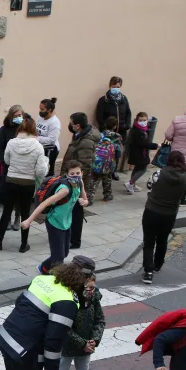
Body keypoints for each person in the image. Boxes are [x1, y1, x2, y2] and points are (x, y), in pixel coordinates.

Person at [53, 256, 102, 370]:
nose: (89, 292)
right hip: (68, 345)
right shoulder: (68, 297)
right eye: (87, 287)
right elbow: (64, 326)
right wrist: (83, 343)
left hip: (87, 344)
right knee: (62, 369)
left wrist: (95, 339)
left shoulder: (94, 299)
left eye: (92, 288)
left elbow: (100, 320)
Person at [0, 120, 47, 253]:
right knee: (25, 213)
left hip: (11, 180)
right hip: (27, 183)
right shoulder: (38, 146)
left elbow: (6, 160)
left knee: (6, 211)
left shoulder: (11, 142)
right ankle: (24, 244)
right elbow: (40, 171)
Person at [23, 160, 87, 274]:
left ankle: (42, 267)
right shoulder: (65, 189)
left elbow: (85, 198)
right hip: (54, 222)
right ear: (67, 175)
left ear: (82, 173)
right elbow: (44, 204)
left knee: (65, 253)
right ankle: (53, 281)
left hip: (66, 222)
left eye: (78, 173)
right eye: (72, 174)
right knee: (58, 258)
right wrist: (29, 220)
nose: (75, 176)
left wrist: (84, 201)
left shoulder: (80, 182)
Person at [140, 151, 186, 284]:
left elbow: (149, 186)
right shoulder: (185, 178)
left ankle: (148, 272)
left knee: (149, 241)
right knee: (162, 240)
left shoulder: (158, 174)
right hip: (170, 214)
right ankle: (157, 265)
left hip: (152, 211)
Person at [60, 112, 98, 248]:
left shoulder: (86, 141)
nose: (69, 125)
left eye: (71, 123)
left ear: (77, 125)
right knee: (70, 209)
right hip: (70, 179)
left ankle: (75, 241)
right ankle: (69, 235)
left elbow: (85, 165)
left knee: (77, 211)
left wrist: (76, 182)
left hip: (76, 183)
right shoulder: (79, 136)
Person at [94, 76, 133, 176]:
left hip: (121, 131)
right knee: (107, 152)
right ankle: (104, 170)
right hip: (108, 133)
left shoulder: (124, 99)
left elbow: (128, 112)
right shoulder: (104, 100)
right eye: (114, 86)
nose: (116, 88)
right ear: (110, 86)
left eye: (118, 86)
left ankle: (113, 171)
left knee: (117, 153)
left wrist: (127, 125)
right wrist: (105, 128)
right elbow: (99, 116)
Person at [89, 116, 122, 201]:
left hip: (97, 161)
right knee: (107, 178)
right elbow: (118, 151)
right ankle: (107, 195)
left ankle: (89, 197)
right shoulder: (117, 137)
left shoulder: (100, 135)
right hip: (109, 162)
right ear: (115, 126)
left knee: (94, 179)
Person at [125, 112, 158, 194]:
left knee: (137, 169)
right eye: (140, 120)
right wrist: (156, 145)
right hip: (139, 154)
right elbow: (143, 143)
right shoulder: (137, 131)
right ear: (137, 120)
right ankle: (130, 183)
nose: (143, 122)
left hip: (140, 153)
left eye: (144, 120)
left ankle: (132, 185)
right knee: (143, 169)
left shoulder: (144, 129)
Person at [35, 97, 61, 176]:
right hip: (40, 147)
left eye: (42, 109)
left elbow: (52, 139)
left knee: (47, 171)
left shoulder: (54, 122)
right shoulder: (41, 117)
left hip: (50, 149)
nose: (40, 111)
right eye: (40, 108)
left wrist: (36, 138)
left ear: (49, 110)